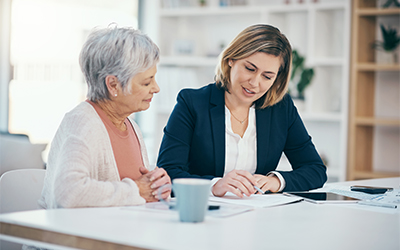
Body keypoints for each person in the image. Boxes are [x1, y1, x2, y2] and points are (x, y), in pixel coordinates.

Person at [157, 24, 327, 198]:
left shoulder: (281, 109)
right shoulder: (192, 103)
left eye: (267, 76)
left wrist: (276, 181)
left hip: (258, 216)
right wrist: (215, 185)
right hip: (204, 214)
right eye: (250, 69)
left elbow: (315, 170)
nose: (254, 82)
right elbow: (167, 173)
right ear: (231, 59)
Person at [39, 25, 171, 209]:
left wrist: (155, 187)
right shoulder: (82, 122)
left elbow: (132, 195)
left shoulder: (131, 126)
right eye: (147, 82)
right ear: (113, 85)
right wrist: (137, 190)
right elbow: (68, 193)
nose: (156, 88)